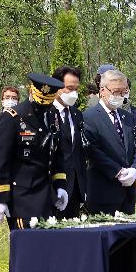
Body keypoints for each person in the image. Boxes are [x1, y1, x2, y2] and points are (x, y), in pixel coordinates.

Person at [0, 74, 70, 230]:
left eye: (48, 103)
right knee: (27, 249)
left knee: (46, 250)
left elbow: (57, 153)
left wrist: (60, 185)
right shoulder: (12, 118)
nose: (43, 107)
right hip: (23, 199)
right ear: (31, 92)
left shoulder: (53, 115)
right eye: (40, 102)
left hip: (48, 196)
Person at [83, 68, 136, 215]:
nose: (120, 97)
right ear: (102, 90)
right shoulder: (88, 117)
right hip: (103, 192)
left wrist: (135, 170)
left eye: (123, 92)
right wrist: (117, 171)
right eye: (116, 92)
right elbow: (92, 150)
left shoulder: (128, 117)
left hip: (128, 193)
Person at [51, 66, 87, 219]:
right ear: (57, 87)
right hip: (54, 186)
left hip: (76, 187)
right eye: (69, 88)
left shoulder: (77, 114)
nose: (73, 93)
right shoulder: (46, 113)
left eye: (76, 89)